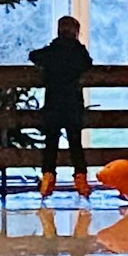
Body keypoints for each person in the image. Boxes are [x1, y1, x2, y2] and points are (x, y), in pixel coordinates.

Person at [30, 14, 94, 198]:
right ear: (76, 32)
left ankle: (48, 177)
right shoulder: (78, 51)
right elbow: (88, 64)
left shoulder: (52, 50)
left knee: (51, 143)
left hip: (53, 104)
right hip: (73, 104)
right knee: (76, 144)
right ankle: (81, 180)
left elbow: (34, 56)